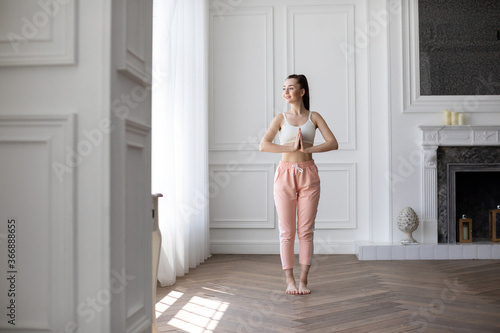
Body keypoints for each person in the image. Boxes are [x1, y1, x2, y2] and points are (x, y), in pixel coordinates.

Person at [259, 74, 338, 295]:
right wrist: (290, 148)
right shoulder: (280, 118)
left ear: (302, 92)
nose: (286, 92)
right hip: (284, 175)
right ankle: (289, 281)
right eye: (284, 88)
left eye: (291, 88)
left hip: (309, 174)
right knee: (287, 232)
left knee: (305, 231)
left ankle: (303, 280)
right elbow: (263, 145)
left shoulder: (314, 117)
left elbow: (333, 143)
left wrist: (308, 149)